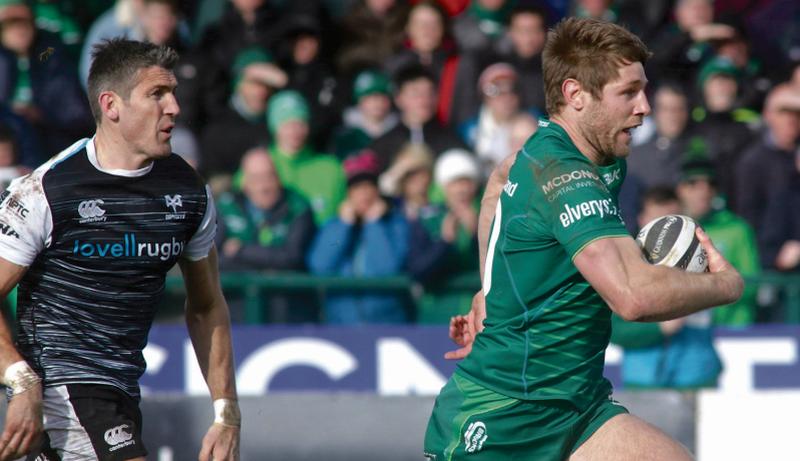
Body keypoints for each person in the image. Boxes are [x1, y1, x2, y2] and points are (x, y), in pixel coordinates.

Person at [425, 18, 743, 461]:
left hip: (579, 406)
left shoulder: (583, 151)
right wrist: (727, 285)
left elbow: (498, 180)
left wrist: (489, 289)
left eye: (644, 89)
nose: (645, 106)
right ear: (576, 95)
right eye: (628, 92)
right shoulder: (566, 175)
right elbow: (633, 298)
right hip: (503, 414)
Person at [0, 39, 239, 460]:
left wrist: (226, 412)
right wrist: (21, 379)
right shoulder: (45, 191)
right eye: (157, 95)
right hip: (62, 384)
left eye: (174, 94)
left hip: (123, 389)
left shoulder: (188, 192)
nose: (174, 108)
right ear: (112, 106)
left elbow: (206, 306)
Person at [610, 186, 723, 389]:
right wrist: (659, 328)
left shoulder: (704, 261)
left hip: (697, 376)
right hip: (643, 381)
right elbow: (614, 331)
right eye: (658, 222)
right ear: (642, 220)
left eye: (672, 223)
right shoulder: (626, 268)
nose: (665, 233)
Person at [307, 149, 410, 324]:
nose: (364, 193)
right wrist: (344, 225)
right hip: (341, 325)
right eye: (356, 187)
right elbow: (320, 266)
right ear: (348, 193)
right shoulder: (334, 225)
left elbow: (386, 269)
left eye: (369, 186)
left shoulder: (395, 224)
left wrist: (374, 224)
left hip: (387, 325)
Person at [216, 147, 318, 324]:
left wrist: (241, 251)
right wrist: (265, 268)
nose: (264, 186)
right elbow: (215, 260)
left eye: (269, 176)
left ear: (278, 177)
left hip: (287, 312)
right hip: (235, 310)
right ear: (245, 182)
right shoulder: (225, 206)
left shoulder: (298, 207)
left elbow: (292, 258)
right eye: (256, 179)